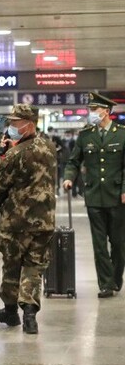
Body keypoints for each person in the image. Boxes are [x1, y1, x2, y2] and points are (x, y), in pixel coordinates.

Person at [0, 104, 56, 334]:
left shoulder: (17, 153)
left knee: (12, 266)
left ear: (29, 124)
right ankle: (30, 316)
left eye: (16, 123)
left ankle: (10, 311)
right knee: (34, 267)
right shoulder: (49, 146)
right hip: (44, 220)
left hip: (17, 221)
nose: (11, 127)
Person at [62, 91, 125, 297]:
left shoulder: (122, 134)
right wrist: (69, 177)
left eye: (94, 110)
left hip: (117, 196)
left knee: (118, 243)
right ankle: (106, 284)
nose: (91, 113)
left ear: (106, 111)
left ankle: (116, 278)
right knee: (99, 244)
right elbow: (73, 161)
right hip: (94, 196)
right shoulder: (85, 135)